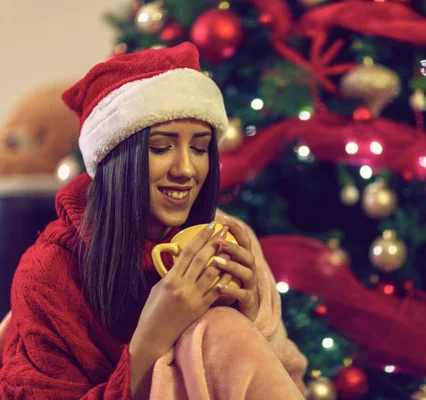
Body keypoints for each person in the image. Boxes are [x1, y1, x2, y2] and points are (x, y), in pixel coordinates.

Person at [0, 42, 307, 399]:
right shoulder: (50, 272)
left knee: (225, 328)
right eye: (161, 147)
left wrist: (255, 319)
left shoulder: (229, 240)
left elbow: (291, 382)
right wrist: (151, 338)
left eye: (199, 147)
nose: (186, 170)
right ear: (117, 158)